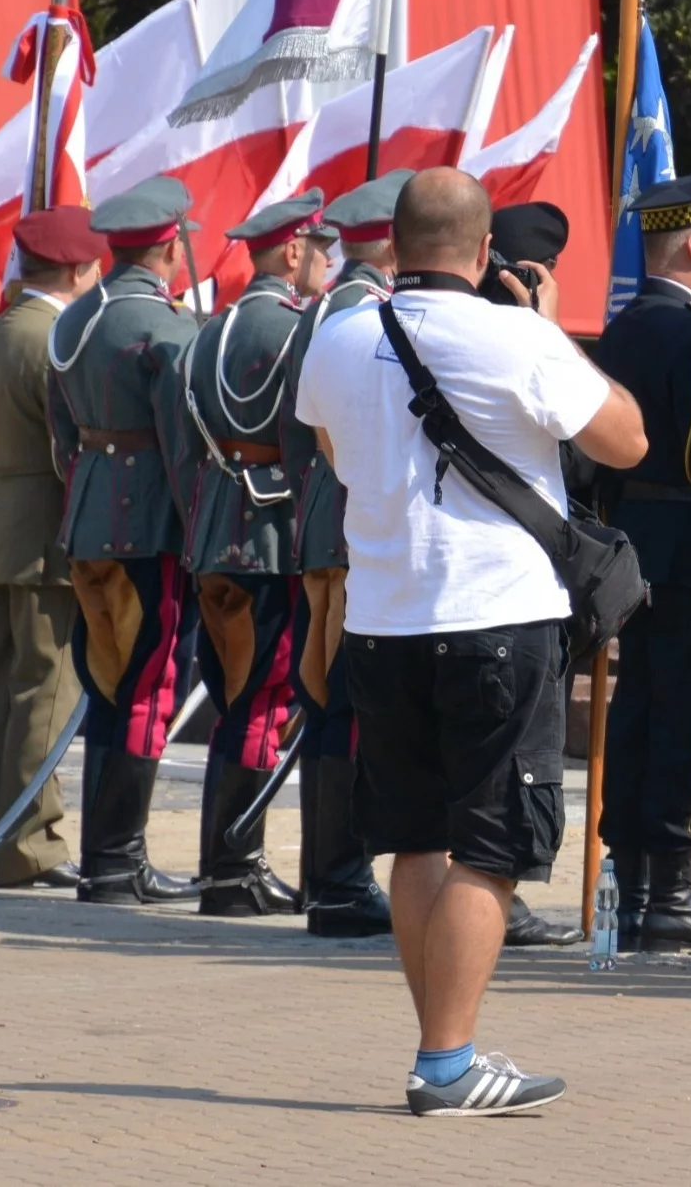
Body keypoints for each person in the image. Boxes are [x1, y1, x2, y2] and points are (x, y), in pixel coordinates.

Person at [293, 166, 645, 1117]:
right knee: (491, 847)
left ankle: (441, 1046)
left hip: (382, 619)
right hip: (495, 618)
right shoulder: (517, 335)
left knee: (416, 841)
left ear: (396, 246)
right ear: (485, 250)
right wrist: (549, 325)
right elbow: (625, 440)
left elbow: (333, 451)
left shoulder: (338, 335)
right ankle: (446, 1062)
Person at [590, 169, 691, 954]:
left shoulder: (615, 332)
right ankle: (671, 892)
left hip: (628, 545)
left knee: (638, 711)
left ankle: (626, 875)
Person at [49, 177, 205, 905]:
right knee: (149, 687)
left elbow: (62, 438)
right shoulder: (167, 328)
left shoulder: (73, 319)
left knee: (107, 685)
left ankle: (101, 857)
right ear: (170, 247)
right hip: (147, 527)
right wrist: (196, 520)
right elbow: (180, 447)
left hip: (86, 520)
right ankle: (117, 860)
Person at [179, 192, 329, 918]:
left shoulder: (208, 331)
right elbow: (307, 440)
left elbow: (185, 441)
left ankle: (223, 866)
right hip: (273, 538)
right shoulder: (300, 330)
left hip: (212, 531)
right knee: (262, 705)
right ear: (294, 251)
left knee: (233, 701)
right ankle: (235, 870)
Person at [279, 171, 407, 936]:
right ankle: (340, 880)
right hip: (358, 523)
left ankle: (326, 878)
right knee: (348, 706)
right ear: (394, 241)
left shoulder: (319, 309)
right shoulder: (371, 316)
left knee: (326, 699)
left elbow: (293, 426)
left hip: (321, 519)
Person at [0, 204, 100, 889]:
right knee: (43, 693)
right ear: (77, 269)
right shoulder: (57, 340)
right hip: (45, 533)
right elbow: (66, 453)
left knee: (2, 691)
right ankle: (30, 841)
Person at [482, 198, 591, 951]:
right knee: (517, 753)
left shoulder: (429, 330)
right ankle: (500, 899)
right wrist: (548, 328)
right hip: (517, 582)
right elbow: (591, 449)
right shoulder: (532, 347)